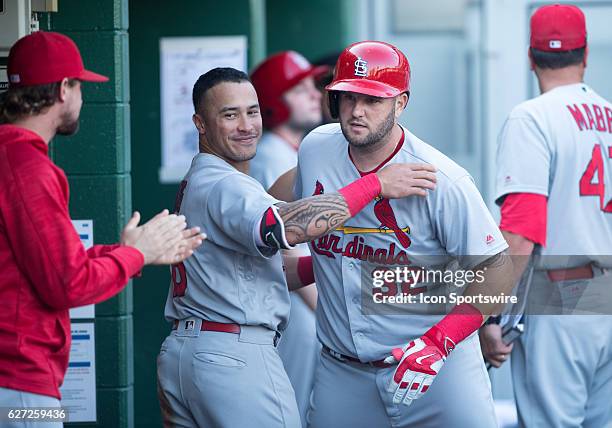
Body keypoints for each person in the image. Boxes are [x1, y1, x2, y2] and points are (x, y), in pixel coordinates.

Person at [155, 67, 436, 428]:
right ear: (201, 124)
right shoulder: (224, 184)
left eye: (252, 112)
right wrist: (373, 185)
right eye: (229, 115)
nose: (245, 125)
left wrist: (329, 267)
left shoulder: (204, 178)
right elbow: (283, 227)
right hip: (232, 356)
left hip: (189, 352)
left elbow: (257, 272)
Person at [282, 40, 514, 427]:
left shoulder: (442, 178)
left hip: (436, 369)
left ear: (400, 103)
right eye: (347, 97)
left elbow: (500, 273)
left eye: (372, 100)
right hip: (343, 372)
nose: (356, 111)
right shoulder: (316, 148)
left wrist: (441, 341)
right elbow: (296, 223)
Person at [0, 31, 204, 422]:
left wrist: (126, 252)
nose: (81, 97)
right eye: (78, 85)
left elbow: (41, 265)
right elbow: (67, 283)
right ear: (63, 89)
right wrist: (136, 254)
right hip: (20, 386)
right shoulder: (29, 167)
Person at [480, 4, 612, 427]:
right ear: (585, 54)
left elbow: (521, 234)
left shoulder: (531, 118)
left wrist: (490, 314)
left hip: (563, 297)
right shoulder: (610, 117)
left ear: (530, 56)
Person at [249, 51, 323, 426]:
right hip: (296, 306)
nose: (314, 94)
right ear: (275, 102)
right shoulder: (271, 157)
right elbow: (284, 247)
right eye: (300, 88)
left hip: (305, 302)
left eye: (313, 85)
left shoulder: (291, 152)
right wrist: (325, 310)